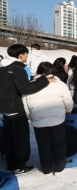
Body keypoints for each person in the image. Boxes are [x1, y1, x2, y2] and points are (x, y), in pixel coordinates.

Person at [0, 44, 54, 175]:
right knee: (20, 140)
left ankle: (11, 164)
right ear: (20, 55)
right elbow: (26, 88)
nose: (27, 56)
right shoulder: (18, 69)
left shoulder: (2, 68)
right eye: (26, 54)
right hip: (17, 109)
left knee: (10, 139)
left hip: (5, 109)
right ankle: (19, 166)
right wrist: (45, 81)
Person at [22, 62, 73, 175]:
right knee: (59, 145)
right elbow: (68, 101)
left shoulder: (30, 85)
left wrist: (31, 117)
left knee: (43, 146)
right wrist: (68, 110)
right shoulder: (60, 84)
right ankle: (59, 167)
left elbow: (25, 105)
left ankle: (46, 169)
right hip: (58, 121)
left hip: (38, 123)